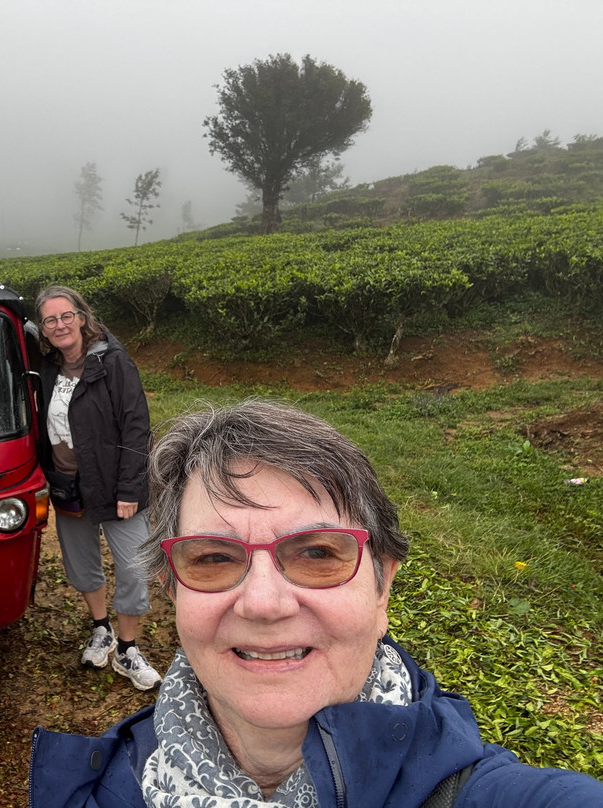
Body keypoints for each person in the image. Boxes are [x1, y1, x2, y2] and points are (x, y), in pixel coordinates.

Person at [29, 399, 603, 807]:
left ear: (383, 590)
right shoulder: (94, 790)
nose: (262, 602)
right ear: (173, 592)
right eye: (212, 558)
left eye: (318, 554)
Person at [35, 285, 161, 691]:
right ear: (43, 329)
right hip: (67, 486)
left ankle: (127, 648)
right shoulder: (47, 369)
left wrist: (130, 487)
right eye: (50, 320)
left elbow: (136, 425)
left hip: (113, 485)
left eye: (66, 315)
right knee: (82, 563)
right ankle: (101, 628)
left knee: (133, 567)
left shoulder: (113, 362)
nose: (60, 325)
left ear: (82, 317)